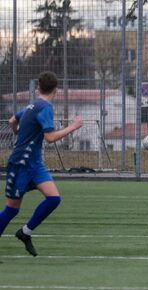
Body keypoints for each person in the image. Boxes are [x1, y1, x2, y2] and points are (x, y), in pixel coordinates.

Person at [0, 71, 83, 256]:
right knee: (12, 209)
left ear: (38, 88)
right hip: (20, 164)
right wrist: (73, 126)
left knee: (54, 198)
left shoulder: (32, 105)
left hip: (35, 164)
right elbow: (50, 137)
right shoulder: (44, 107)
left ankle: (25, 232)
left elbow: (12, 120)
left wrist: (18, 133)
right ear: (56, 90)